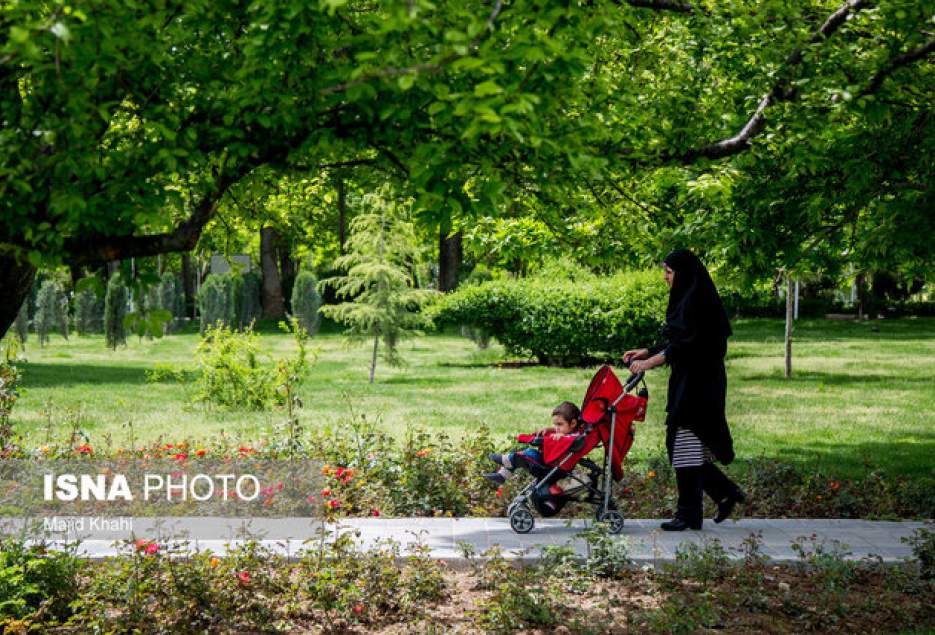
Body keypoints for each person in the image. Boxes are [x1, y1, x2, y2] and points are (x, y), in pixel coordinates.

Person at [624, 249, 745, 531]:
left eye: (669, 272)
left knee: (684, 444)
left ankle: (689, 513)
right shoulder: (688, 298)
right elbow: (677, 341)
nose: (665, 278)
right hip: (687, 382)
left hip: (701, 385)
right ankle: (724, 493)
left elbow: (688, 345)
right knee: (681, 444)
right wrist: (648, 351)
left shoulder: (700, 303)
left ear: (684, 274)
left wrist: (650, 362)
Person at [484, 401, 584, 515]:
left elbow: (568, 439)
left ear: (573, 423)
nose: (556, 428)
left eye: (559, 425)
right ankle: (503, 474)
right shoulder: (567, 433)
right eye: (555, 425)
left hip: (555, 469)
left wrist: (560, 438)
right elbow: (562, 433)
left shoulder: (573, 439)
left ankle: (505, 462)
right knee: (523, 455)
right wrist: (550, 430)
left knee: (527, 454)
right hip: (551, 466)